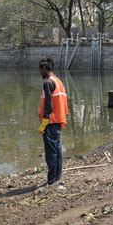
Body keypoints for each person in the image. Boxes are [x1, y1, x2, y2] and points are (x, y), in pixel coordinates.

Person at [38, 57, 68, 187]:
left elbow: (48, 105)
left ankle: (51, 181)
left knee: (51, 153)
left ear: (45, 68)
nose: (40, 73)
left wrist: (44, 122)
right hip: (59, 120)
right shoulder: (59, 81)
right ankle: (57, 178)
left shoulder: (48, 83)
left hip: (51, 122)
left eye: (40, 70)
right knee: (57, 150)